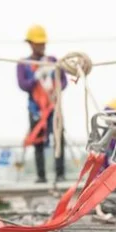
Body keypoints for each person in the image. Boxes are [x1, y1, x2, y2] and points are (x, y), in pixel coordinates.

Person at [16, 25, 68, 183]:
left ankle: (60, 174)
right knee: (38, 141)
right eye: (38, 43)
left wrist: (54, 84)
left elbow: (64, 82)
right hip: (35, 109)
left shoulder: (53, 62)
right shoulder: (24, 64)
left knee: (59, 138)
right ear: (31, 44)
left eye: (43, 43)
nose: (41, 46)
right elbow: (23, 85)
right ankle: (41, 176)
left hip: (53, 107)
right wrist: (36, 77)